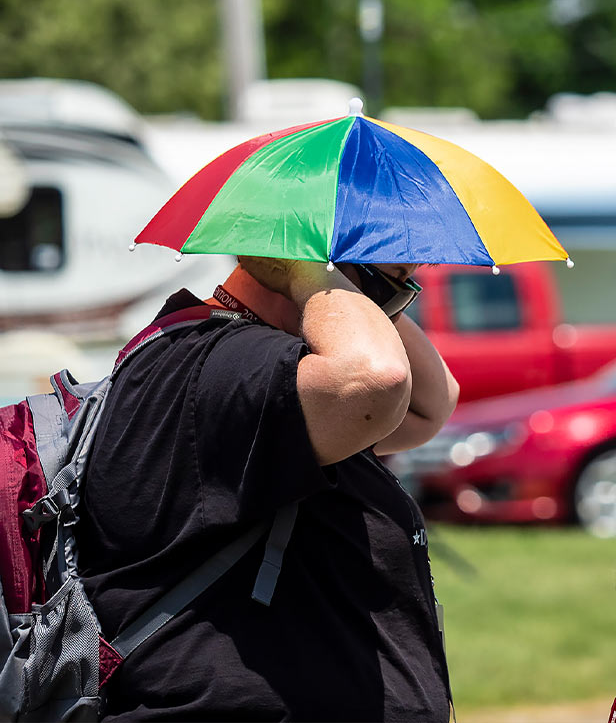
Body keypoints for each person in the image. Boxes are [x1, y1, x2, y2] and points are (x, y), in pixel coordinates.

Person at [76, 256, 459, 721]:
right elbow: (378, 380)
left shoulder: (267, 368)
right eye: (387, 291)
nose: (383, 317)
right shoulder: (227, 363)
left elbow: (428, 406)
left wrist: (370, 288)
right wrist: (301, 262)